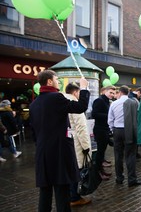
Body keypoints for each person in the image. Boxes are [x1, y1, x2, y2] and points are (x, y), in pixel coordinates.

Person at [29, 70, 90, 212]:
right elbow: (80, 107)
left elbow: (33, 132)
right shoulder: (56, 97)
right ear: (49, 81)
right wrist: (84, 88)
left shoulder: (34, 104)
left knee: (45, 192)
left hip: (42, 152)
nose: (58, 82)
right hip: (59, 152)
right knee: (62, 191)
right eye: (57, 79)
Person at [108, 85, 141, 187]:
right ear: (128, 93)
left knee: (118, 155)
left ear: (120, 92)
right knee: (130, 155)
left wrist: (113, 130)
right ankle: (131, 179)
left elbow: (110, 119)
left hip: (117, 130)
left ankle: (119, 178)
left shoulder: (114, 103)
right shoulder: (134, 103)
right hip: (129, 131)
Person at [64, 83, 92, 206]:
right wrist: (87, 147)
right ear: (75, 92)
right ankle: (74, 197)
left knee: (70, 169)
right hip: (76, 143)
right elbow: (81, 128)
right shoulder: (74, 103)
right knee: (77, 170)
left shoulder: (62, 101)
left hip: (66, 141)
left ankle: (70, 195)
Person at [91, 85, 116, 180]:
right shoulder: (99, 100)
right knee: (100, 153)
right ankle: (98, 173)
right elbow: (94, 114)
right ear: (104, 91)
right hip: (100, 130)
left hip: (104, 129)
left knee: (102, 153)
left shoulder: (106, 101)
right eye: (110, 92)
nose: (112, 95)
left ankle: (101, 171)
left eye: (113, 93)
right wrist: (109, 116)